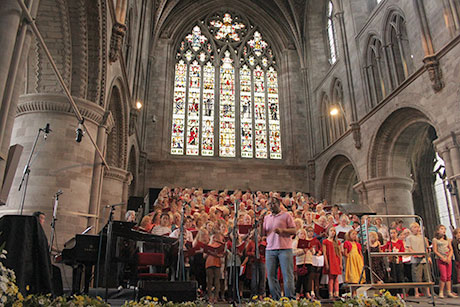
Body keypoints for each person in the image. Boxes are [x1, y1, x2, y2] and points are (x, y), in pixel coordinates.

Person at [263, 197, 296, 300]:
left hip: (284, 248)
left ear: (278, 204)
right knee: (271, 277)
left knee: (287, 275)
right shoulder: (267, 217)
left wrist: (282, 231)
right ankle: (276, 298)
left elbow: (294, 230)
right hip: (270, 249)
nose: (271, 206)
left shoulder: (286, 215)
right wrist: (260, 222)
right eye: (269, 204)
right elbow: (262, 233)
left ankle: (289, 299)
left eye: (273, 203)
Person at [406, 222, 431, 298]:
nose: (416, 229)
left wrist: (427, 255)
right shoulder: (409, 238)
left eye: (417, 227)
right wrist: (416, 254)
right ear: (411, 229)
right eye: (414, 227)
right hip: (415, 259)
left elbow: (427, 248)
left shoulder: (423, 238)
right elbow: (409, 248)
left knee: (427, 276)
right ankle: (416, 292)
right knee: (416, 276)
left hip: (424, 259)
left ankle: (428, 292)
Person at [433, 225, 457, 298]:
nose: (443, 230)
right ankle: (441, 292)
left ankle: (449, 291)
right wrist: (442, 257)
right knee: (443, 275)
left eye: (444, 229)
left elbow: (451, 249)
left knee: (449, 275)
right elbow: (435, 250)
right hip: (441, 258)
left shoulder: (447, 240)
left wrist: (449, 257)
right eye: (441, 229)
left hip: (448, 258)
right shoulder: (435, 240)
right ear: (437, 231)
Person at [383, 228, 405, 294]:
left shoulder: (400, 242)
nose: (393, 234)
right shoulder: (389, 243)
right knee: (393, 276)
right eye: (391, 233)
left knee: (400, 276)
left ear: (396, 233)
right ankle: (394, 292)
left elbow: (403, 250)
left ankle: (401, 292)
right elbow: (385, 250)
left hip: (399, 260)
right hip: (391, 261)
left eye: (394, 233)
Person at [323, 226, 342, 299]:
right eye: (331, 230)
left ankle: (336, 293)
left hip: (336, 261)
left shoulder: (337, 242)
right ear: (328, 232)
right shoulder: (325, 241)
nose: (333, 232)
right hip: (330, 260)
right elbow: (324, 253)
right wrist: (326, 263)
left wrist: (340, 263)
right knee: (331, 278)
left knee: (336, 278)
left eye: (334, 231)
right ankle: (330, 293)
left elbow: (339, 253)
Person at [343, 229, 363, 296]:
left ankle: (357, 293)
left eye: (355, 234)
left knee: (358, 275)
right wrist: (349, 257)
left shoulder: (357, 244)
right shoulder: (347, 243)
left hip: (358, 260)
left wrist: (362, 261)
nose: (354, 236)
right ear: (349, 235)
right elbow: (345, 253)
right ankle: (353, 293)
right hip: (351, 260)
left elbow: (360, 253)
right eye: (353, 234)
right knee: (353, 275)